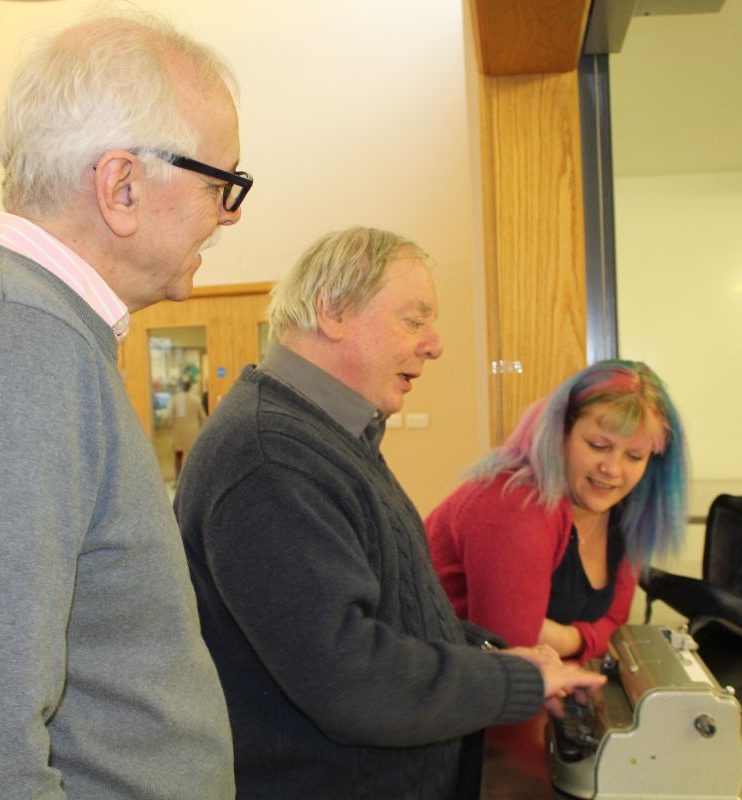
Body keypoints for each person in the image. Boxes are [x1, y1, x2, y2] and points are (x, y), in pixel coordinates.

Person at [175, 226, 607, 800]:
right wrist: (515, 680)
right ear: (332, 312)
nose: (435, 344)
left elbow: (391, 609)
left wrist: (495, 657)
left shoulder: (326, 436)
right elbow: (349, 677)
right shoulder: (271, 456)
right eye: (414, 319)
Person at [0, 10, 253, 799]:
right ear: (121, 187)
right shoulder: (18, 341)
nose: (229, 215)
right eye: (223, 184)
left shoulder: (37, 329)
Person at [425, 360, 687, 663]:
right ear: (560, 432)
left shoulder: (627, 512)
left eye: (634, 455)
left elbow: (615, 626)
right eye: (598, 445)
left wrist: (564, 639)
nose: (612, 469)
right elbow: (514, 662)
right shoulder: (515, 504)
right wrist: (574, 644)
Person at [169, 376, 208, 480]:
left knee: (178, 456)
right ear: (190, 387)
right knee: (193, 457)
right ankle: (194, 479)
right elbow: (203, 417)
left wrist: (168, 425)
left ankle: (178, 479)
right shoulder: (195, 400)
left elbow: (168, 416)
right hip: (193, 432)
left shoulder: (175, 399)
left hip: (179, 432)